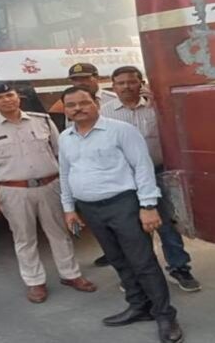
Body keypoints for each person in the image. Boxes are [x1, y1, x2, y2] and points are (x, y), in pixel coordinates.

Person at [58, 86, 183, 343]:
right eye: (71, 105)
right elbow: (65, 172)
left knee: (143, 262)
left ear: (96, 103)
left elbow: (142, 167)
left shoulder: (121, 130)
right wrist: (69, 208)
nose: (78, 108)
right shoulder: (65, 137)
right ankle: (138, 306)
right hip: (90, 208)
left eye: (84, 102)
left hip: (123, 205)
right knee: (118, 260)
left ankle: (165, 315)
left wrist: (148, 206)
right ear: (65, 110)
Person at [0, 82, 96, 304]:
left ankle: (71, 274)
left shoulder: (43, 121)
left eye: (10, 95)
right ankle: (35, 281)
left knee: (60, 233)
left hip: (50, 185)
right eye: (0, 98)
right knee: (24, 238)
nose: (7, 100)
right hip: (13, 190)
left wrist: (69, 187)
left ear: (18, 97)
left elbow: (61, 154)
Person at [99, 66, 201, 292]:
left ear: (141, 83)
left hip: (158, 173)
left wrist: (158, 107)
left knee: (167, 224)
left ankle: (179, 268)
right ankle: (141, 273)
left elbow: (176, 131)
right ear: (113, 87)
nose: (126, 86)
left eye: (131, 82)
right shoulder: (104, 114)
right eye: (121, 83)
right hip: (125, 179)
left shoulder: (156, 108)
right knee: (133, 229)